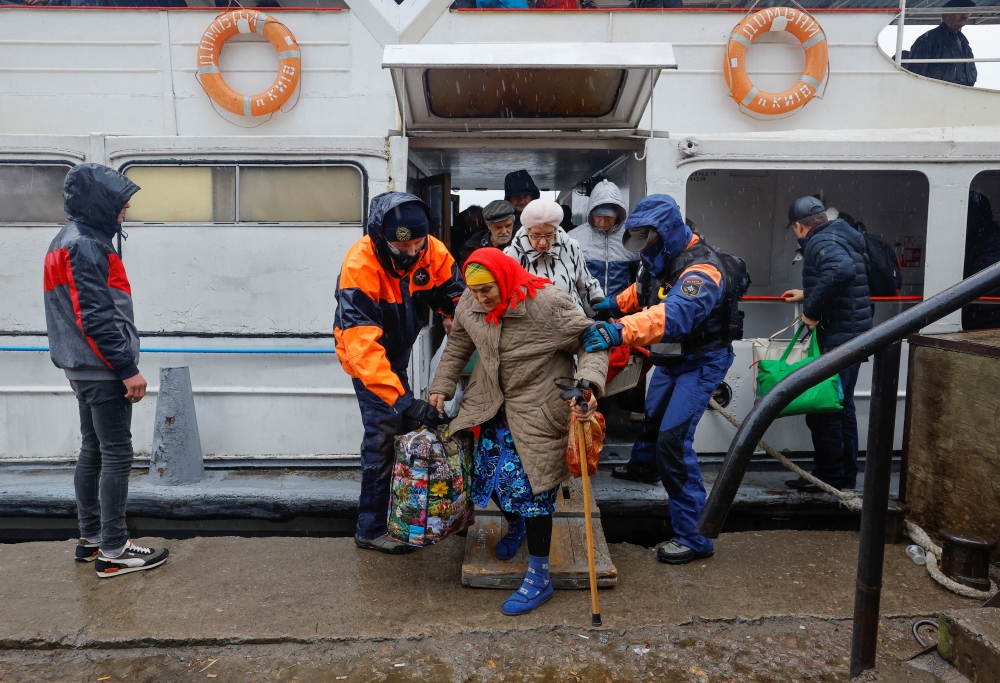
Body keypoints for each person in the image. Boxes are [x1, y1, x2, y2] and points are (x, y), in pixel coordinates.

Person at [428, 248, 608, 615]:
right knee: (487, 482)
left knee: (533, 492)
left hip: (538, 409)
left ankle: (540, 577)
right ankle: (517, 526)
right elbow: (459, 343)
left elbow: (593, 342)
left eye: (487, 291)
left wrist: (587, 384)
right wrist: (441, 387)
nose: (479, 298)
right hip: (492, 406)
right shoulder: (470, 301)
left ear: (505, 277)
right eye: (474, 291)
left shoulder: (549, 303)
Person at [580, 194, 734, 565]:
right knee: (653, 421)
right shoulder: (658, 259)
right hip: (670, 360)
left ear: (664, 233)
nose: (642, 247)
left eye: (646, 239)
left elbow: (676, 314)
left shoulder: (702, 271)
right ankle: (643, 466)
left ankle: (695, 536)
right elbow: (643, 292)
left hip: (700, 362)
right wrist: (610, 305)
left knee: (673, 442)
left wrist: (618, 330)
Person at [43, 163, 169, 577]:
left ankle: (91, 539)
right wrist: (127, 367)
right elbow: (96, 317)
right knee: (116, 453)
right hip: (102, 368)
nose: (126, 207)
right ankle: (114, 550)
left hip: (79, 365)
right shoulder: (88, 245)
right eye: (119, 201)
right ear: (100, 202)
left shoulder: (64, 241)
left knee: (92, 449)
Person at [334, 192, 465, 554]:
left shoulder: (430, 250)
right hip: (367, 359)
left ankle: (403, 518)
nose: (411, 255)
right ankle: (371, 528)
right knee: (382, 436)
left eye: (417, 245)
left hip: (399, 349)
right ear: (380, 237)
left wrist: (453, 312)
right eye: (401, 247)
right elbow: (361, 346)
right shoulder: (360, 266)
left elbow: (454, 292)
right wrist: (405, 401)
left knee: (402, 434)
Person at [781, 196, 872, 492]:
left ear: (799, 226)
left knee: (825, 410)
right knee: (841, 407)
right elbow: (843, 276)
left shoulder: (820, 242)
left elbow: (840, 272)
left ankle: (829, 477)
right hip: (854, 333)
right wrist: (807, 292)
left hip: (839, 336)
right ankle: (843, 477)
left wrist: (811, 311)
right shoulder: (839, 234)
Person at [505, 199, 605, 316]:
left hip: (571, 323)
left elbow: (587, 286)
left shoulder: (571, 247)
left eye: (548, 234)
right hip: (532, 328)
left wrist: (602, 315)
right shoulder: (510, 256)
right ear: (527, 231)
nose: (542, 242)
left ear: (556, 230)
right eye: (536, 235)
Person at [569, 180, 638, 305]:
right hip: (585, 314)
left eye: (608, 217)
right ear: (590, 212)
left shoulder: (632, 238)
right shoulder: (573, 239)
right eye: (598, 216)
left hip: (624, 313)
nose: (603, 221)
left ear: (618, 212)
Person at [906, 0, 977, 87]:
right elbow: (916, 74)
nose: (965, 15)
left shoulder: (963, 41)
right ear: (945, 15)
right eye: (960, 11)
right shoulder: (927, 40)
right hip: (938, 94)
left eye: (967, 12)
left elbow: (971, 69)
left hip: (965, 93)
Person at [962, 190, 1000, 330]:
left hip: (985, 313)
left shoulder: (986, 239)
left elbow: (981, 280)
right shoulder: (986, 236)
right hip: (983, 311)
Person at [459, 200, 516, 268]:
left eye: (508, 226)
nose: (504, 231)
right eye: (498, 227)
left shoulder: (523, 244)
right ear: (488, 225)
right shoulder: (470, 249)